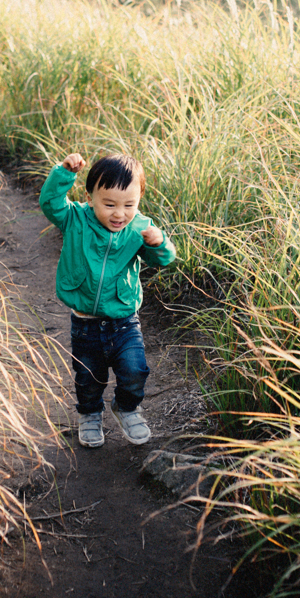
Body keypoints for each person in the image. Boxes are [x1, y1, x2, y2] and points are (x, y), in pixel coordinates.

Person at [39, 152, 177, 448]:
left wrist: (159, 243)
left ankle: (127, 407)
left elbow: (163, 259)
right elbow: (49, 203)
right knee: (88, 378)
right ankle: (89, 414)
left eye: (129, 205)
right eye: (109, 204)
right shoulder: (75, 218)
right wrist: (64, 174)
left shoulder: (139, 227)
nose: (119, 214)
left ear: (139, 200)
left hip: (124, 320)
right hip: (85, 324)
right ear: (90, 197)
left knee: (134, 369)